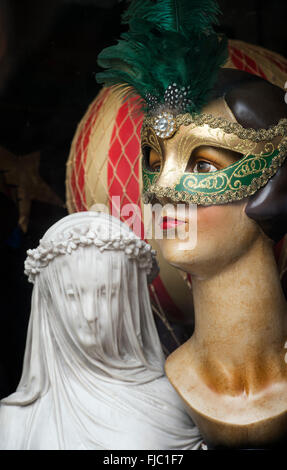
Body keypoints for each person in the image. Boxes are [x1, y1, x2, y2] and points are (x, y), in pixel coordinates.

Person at [96, 0, 287, 448]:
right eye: (153, 160)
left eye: (203, 166)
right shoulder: (154, 393)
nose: (160, 191)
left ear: (273, 184)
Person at [0, 211, 202, 450]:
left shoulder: (176, 400)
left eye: (107, 294)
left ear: (131, 301)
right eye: (73, 295)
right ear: (49, 302)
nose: (90, 314)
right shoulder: (15, 419)